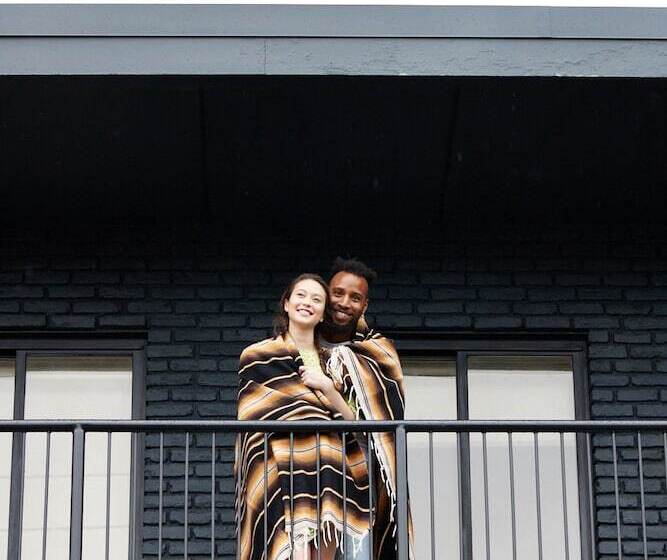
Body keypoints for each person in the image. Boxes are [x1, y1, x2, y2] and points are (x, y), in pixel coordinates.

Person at [235, 273, 371, 560]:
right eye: (301, 295)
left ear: (322, 314)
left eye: (316, 299)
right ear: (286, 304)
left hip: (328, 467)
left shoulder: (334, 364)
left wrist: (326, 387)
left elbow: (355, 422)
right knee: (293, 545)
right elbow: (253, 415)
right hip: (279, 465)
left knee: (324, 545)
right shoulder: (258, 355)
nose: (307, 302)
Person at [321, 258, 414, 560]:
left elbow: (386, 419)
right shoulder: (299, 345)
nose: (344, 302)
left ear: (365, 305)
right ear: (325, 293)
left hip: (360, 481)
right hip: (308, 474)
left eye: (355, 297)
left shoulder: (378, 351)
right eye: (338, 293)